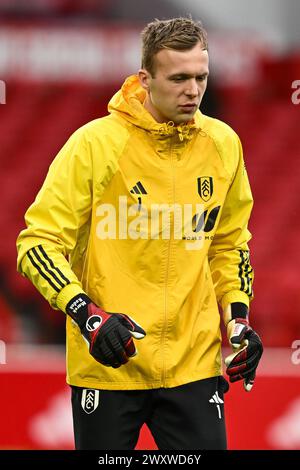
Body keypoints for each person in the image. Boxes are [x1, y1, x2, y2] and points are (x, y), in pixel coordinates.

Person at [16, 17, 263, 450]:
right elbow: (37, 244)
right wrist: (87, 315)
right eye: (179, 78)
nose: (193, 91)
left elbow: (229, 243)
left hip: (194, 366)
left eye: (201, 77)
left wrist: (238, 320)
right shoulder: (94, 145)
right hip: (110, 362)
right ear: (145, 79)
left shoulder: (223, 143)